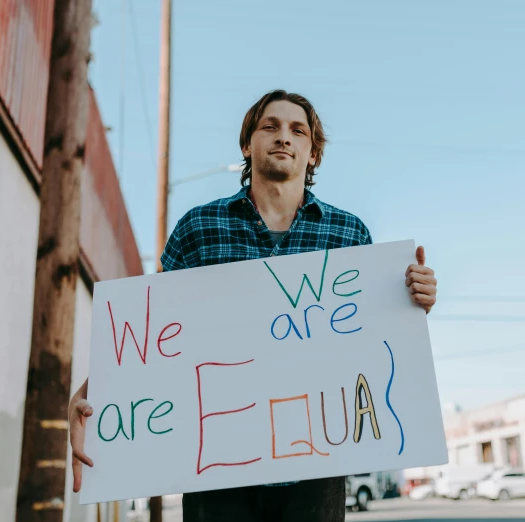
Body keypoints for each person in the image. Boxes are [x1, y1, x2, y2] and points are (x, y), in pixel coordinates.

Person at [67, 89, 438, 521]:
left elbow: (372, 337)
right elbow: (152, 338)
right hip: (216, 465)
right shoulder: (200, 228)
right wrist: (93, 393)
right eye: (271, 126)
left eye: (298, 131)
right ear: (248, 144)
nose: (284, 137)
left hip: (316, 467)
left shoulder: (349, 234)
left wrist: (411, 299)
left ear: (312, 153)